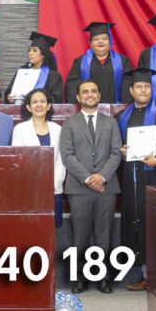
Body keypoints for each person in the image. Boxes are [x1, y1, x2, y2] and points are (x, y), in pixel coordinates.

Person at [115, 68, 156, 290]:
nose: (143, 90)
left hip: (155, 176)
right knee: (138, 224)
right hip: (132, 180)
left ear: (152, 89)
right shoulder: (123, 116)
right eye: (139, 87)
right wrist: (122, 150)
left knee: (154, 224)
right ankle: (145, 275)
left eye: (147, 87)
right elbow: (119, 145)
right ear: (132, 90)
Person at [59, 79, 122, 294]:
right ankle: (79, 278)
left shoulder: (111, 122)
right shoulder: (69, 123)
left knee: (104, 234)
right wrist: (88, 178)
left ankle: (103, 277)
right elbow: (67, 156)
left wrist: (102, 177)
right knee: (81, 235)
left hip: (107, 186)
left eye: (93, 91)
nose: (89, 95)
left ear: (99, 95)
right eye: (85, 92)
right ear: (78, 97)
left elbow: (116, 153)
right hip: (79, 188)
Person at [12, 89, 66, 228]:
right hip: (29, 189)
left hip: (53, 188)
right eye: (34, 102)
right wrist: (33, 185)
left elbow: (61, 159)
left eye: (43, 101)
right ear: (28, 107)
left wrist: (55, 182)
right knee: (31, 228)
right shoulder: (20, 129)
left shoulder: (57, 129)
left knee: (51, 229)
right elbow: (18, 161)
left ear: (48, 106)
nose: (39, 105)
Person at [64, 21, 133, 104]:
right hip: (88, 110)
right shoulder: (80, 62)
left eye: (104, 38)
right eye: (96, 39)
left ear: (109, 41)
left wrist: (124, 109)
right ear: (90, 43)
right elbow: (72, 87)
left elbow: (128, 87)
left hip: (116, 110)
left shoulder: (123, 61)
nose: (100, 41)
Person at [4, 31, 64, 105]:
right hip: (19, 111)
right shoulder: (22, 71)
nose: (30, 53)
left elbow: (57, 100)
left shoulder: (53, 76)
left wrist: (36, 98)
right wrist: (9, 98)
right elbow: (9, 92)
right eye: (30, 50)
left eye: (35, 50)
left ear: (43, 54)